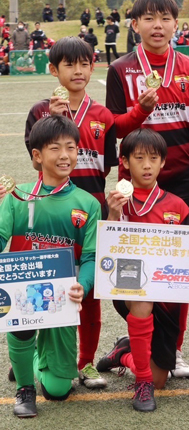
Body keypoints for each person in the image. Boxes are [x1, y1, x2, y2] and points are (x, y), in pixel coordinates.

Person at [105, 0, 189, 379]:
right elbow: (116, 127)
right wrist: (142, 112)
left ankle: (173, 349)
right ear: (134, 25)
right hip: (132, 185)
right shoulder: (120, 69)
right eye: (148, 18)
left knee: (180, 271)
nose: (157, 25)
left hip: (178, 180)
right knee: (129, 269)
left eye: (165, 17)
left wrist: (170, 158)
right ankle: (136, 342)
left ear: (175, 25)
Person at [23, 38, 117, 392]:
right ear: (54, 70)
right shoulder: (39, 111)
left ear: (93, 68)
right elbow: (35, 154)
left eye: (84, 64)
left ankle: (87, 360)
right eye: (69, 64)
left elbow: (107, 164)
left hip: (91, 214)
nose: (78, 71)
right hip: (49, 215)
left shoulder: (101, 115)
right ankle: (34, 354)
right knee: (40, 287)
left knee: (89, 292)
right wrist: (56, 119)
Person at [97, 129, 189, 411]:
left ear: (163, 163)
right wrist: (112, 214)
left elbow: (187, 257)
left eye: (153, 158)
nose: (146, 165)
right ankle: (142, 383)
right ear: (124, 162)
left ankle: (124, 353)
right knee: (141, 296)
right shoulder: (116, 202)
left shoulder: (178, 205)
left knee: (161, 379)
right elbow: (106, 253)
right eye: (139, 158)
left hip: (167, 295)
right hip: (129, 290)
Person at [1, 115, 101, 418]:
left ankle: (32, 356)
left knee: (58, 390)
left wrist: (82, 284)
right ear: (37, 155)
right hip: (23, 297)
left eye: (71, 147)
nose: (65, 155)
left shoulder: (88, 204)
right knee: (20, 322)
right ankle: (25, 387)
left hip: (61, 301)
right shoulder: (17, 198)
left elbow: (92, 257)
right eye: (55, 148)